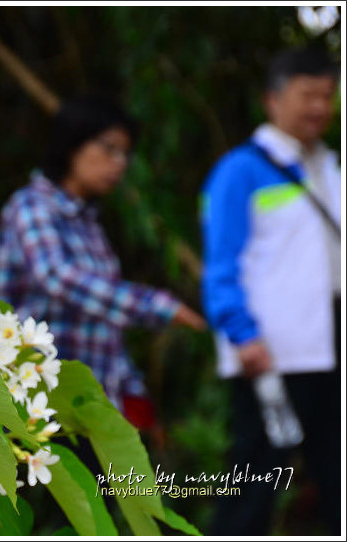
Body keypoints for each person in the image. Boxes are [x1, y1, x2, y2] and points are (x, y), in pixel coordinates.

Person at [0, 96, 207, 432]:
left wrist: (135, 398)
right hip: (41, 405)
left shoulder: (88, 222)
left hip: (93, 406)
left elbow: (104, 325)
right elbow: (57, 277)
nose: (120, 163)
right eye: (110, 149)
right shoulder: (31, 206)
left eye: (126, 154)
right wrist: (157, 306)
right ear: (72, 144)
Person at [200, 48, 341, 536]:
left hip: (331, 351)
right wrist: (241, 334)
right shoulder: (238, 171)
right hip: (272, 355)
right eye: (307, 95)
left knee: (335, 480)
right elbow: (220, 265)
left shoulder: (329, 166)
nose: (319, 107)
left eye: (327, 95)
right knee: (254, 485)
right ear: (272, 99)